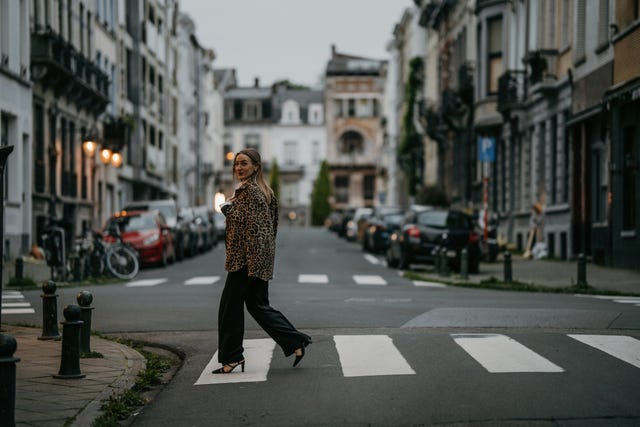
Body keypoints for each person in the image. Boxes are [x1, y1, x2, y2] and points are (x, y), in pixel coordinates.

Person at [213, 148, 312, 374]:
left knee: (229, 308)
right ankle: (295, 341)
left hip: (246, 261)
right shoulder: (263, 192)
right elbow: (271, 227)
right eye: (236, 163)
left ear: (256, 166)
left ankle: (232, 358)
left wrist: (227, 209)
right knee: (258, 306)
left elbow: (255, 230)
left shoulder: (252, 192)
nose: (239, 167)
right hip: (257, 259)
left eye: (244, 163)